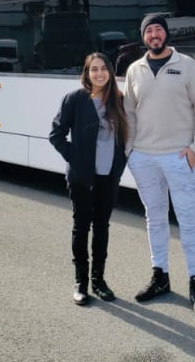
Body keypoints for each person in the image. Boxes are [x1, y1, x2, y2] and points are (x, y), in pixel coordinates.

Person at [123, 14, 195, 316]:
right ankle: (159, 276)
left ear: (166, 34)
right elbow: (129, 114)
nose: (154, 34)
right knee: (155, 217)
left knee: (189, 220)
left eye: (158, 29)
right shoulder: (134, 70)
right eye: (149, 30)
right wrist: (129, 152)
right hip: (143, 157)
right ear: (143, 37)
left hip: (178, 157)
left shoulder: (188, 66)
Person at [50, 52, 128, 305]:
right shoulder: (75, 99)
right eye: (93, 69)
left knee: (102, 227)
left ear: (110, 72)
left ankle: (99, 281)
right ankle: (81, 282)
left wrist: (119, 165)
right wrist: (75, 158)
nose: (99, 73)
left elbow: (126, 137)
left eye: (103, 68)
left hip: (108, 176)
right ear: (87, 73)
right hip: (82, 176)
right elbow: (56, 134)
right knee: (81, 226)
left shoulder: (118, 100)